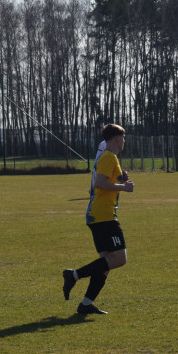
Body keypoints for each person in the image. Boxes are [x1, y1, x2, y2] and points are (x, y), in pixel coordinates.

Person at [61, 123, 135, 316]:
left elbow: (110, 179)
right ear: (117, 139)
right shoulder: (109, 156)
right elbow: (101, 183)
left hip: (99, 214)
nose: (124, 142)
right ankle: (73, 275)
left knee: (105, 264)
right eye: (123, 138)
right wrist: (124, 188)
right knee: (119, 259)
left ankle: (86, 304)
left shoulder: (111, 157)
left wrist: (121, 179)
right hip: (104, 215)